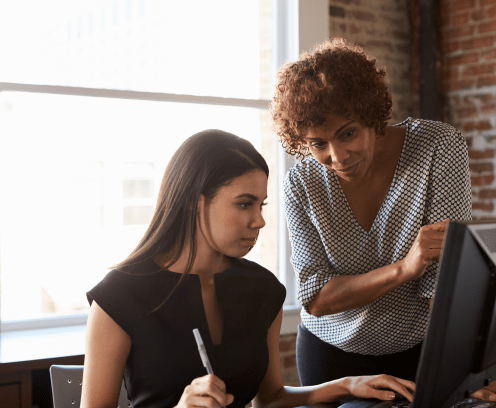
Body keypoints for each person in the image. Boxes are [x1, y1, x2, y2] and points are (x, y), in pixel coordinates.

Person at [81, 129, 416, 408]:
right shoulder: (118, 297)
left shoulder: (263, 289)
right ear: (193, 201)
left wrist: (348, 385)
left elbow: (270, 398)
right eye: (244, 204)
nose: (259, 221)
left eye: (261, 205)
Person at [270, 36, 484, 391]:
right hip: (330, 354)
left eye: (348, 133)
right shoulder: (301, 183)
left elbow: (442, 281)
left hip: (419, 349)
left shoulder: (437, 148)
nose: (337, 157)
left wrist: (467, 373)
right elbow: (316, 298)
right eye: (318, 144)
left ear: (371, 113)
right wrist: (404, 268)